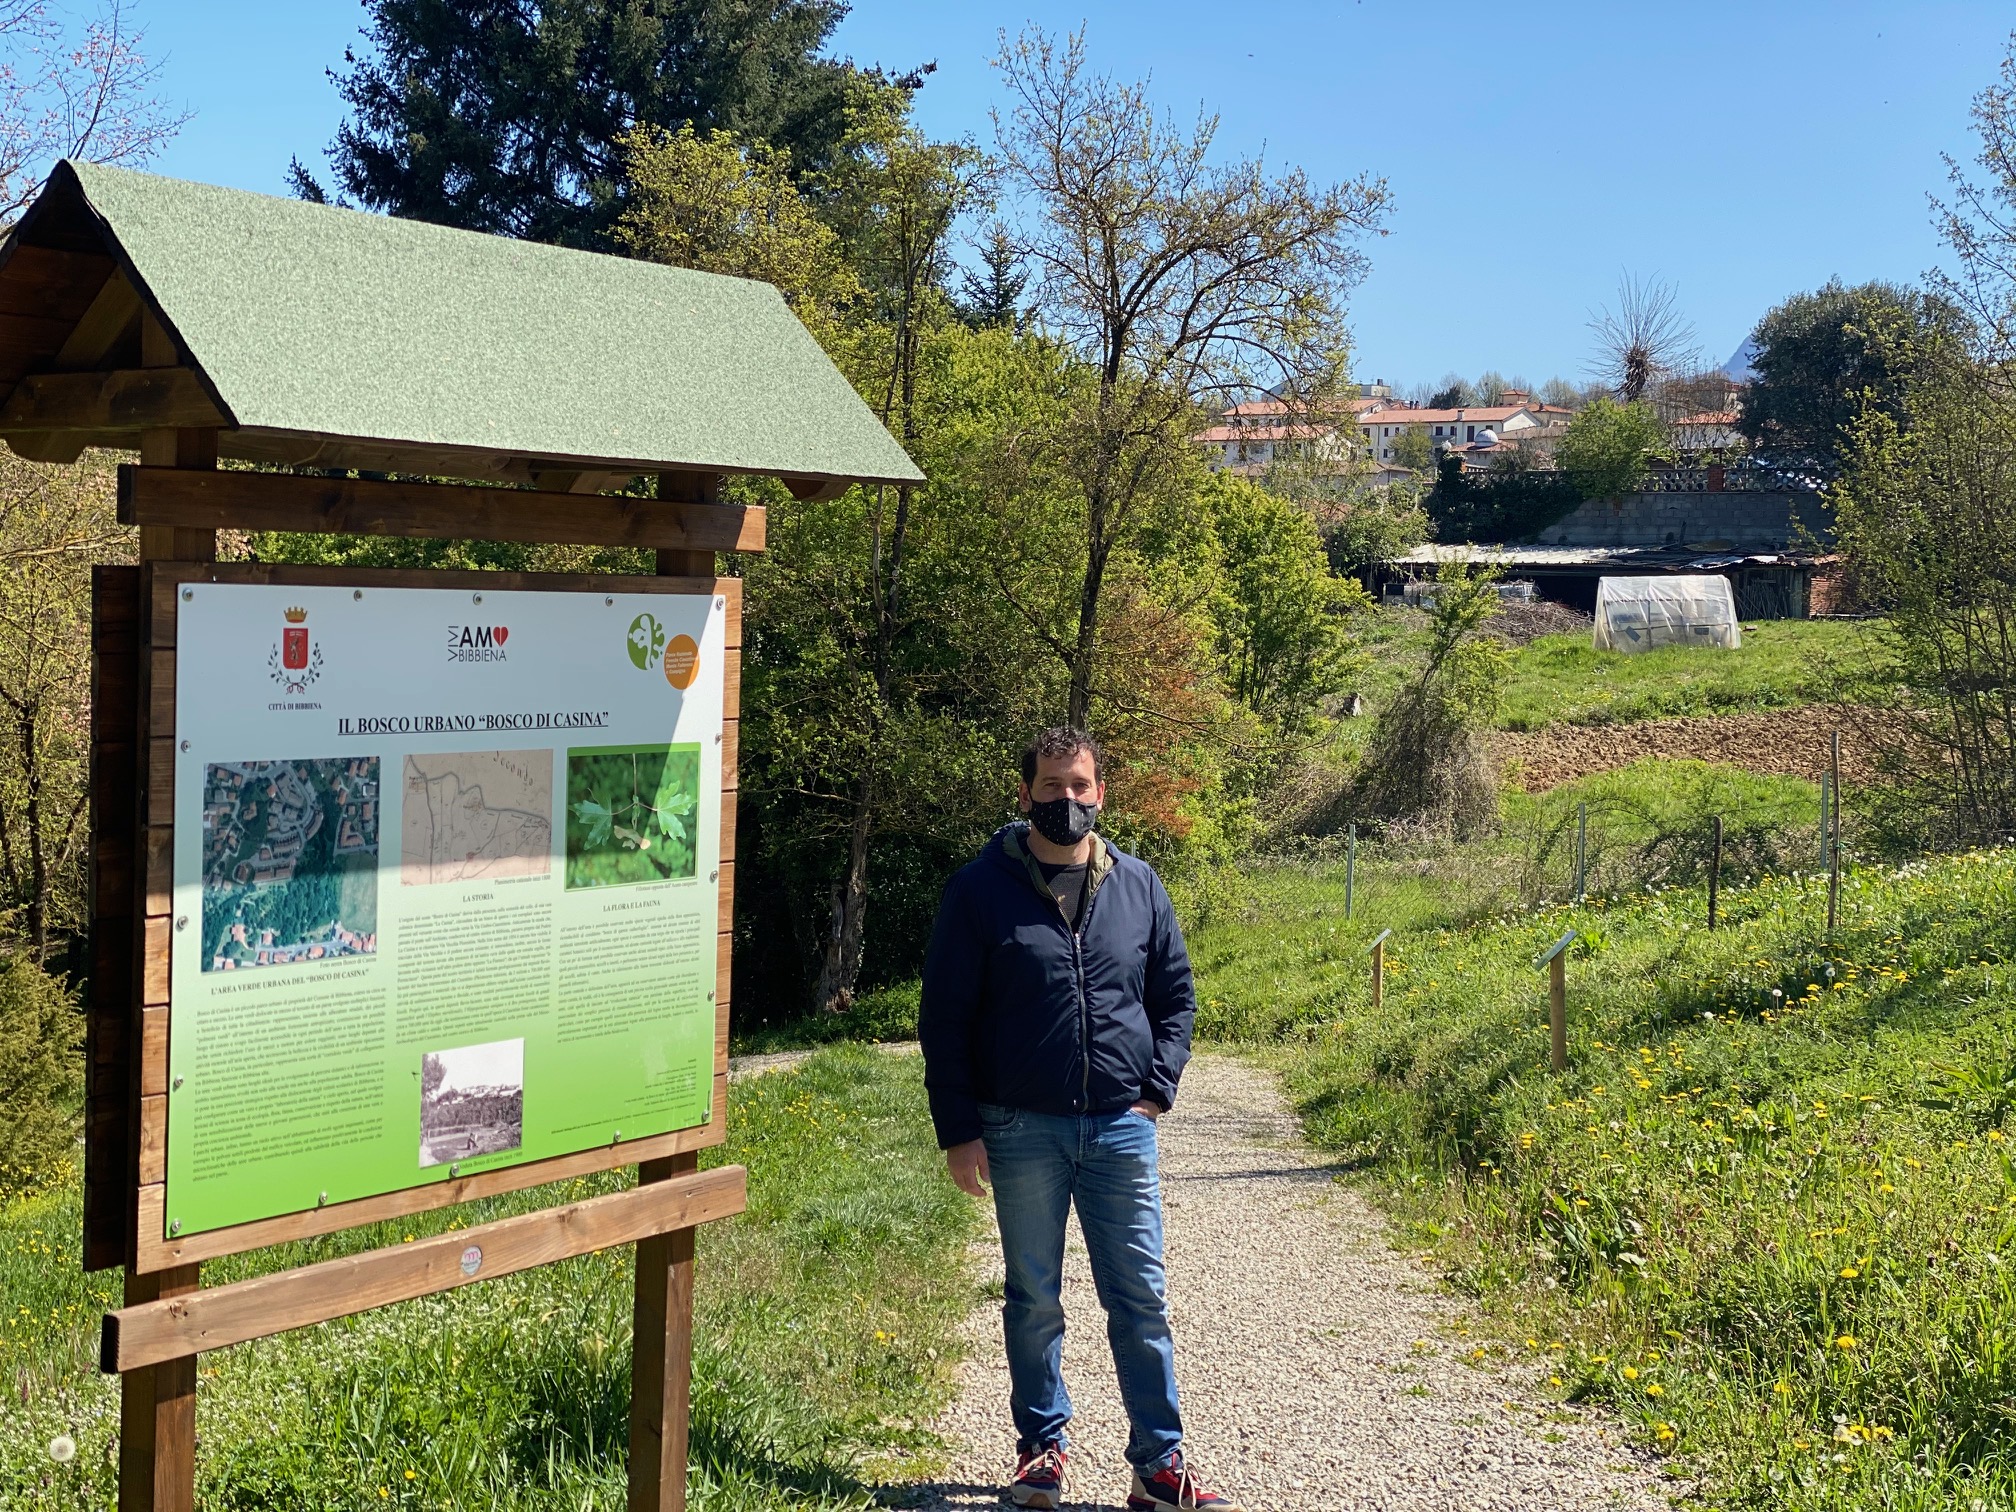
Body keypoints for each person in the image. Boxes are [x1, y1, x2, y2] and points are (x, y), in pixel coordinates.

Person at [919, 726, 1241, 1512]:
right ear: (1024, 793)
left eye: (1081, 786)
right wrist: (960, 1130)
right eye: (1053, 786)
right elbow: (945, 1016)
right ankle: (1042, 1452)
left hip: (1120, 1128)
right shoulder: (978, 889)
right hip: (1018, 1126)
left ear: (1101, 792)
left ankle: (1158, 1466)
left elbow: (1176, 997)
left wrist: (1155, 1090)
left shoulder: (1138, 885)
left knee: (1140, 1298)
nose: (1068, 800)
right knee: (1033, 1297)